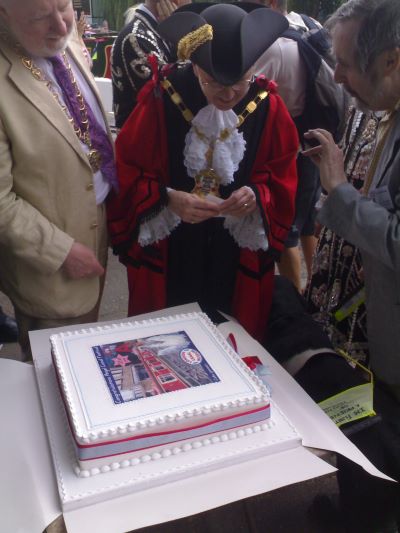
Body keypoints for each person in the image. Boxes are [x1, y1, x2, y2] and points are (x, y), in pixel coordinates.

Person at [108, 2, 299, 342]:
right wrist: (167, 199)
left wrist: (256, 196)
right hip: (175, 253)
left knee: (231, 343)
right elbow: (127, 169)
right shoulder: (162, 96)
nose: (228, 94)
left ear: (254, 66)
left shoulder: (267, 104)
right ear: (195, 67)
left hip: (233, 256)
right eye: (214, 83)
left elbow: (282, 174)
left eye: (239, 81)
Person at [304, 0, 400, 527]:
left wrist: (339, 189)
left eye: (343, 63)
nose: (335, 77)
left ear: (390, 60)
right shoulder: (383, 109)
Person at [0, 0, 116, 357]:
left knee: (90, 349)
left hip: (96, 222)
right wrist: (62, 252)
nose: (61, 27)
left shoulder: (66, 39)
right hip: (53, 259)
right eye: (39, 17)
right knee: (59, 375)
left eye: (64, 7)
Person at [252, 0, 324, 291]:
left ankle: (296, 302)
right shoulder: (309, 25)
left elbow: (249, 90)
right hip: (316, 137)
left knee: (286, 231)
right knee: (308, 224)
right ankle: (318, 291)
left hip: (288, 144)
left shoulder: (273, 43)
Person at [305, 107, 379, 363]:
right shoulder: (363, 105)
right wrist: (325, 203)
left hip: (372, 245)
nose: (337, 75)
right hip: (338, 236)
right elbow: (347, 153)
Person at [111, 0, 190, 129]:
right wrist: (181, 39)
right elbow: (175, 99)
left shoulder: (156, 30)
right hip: (147, 144)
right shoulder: (135, 37)